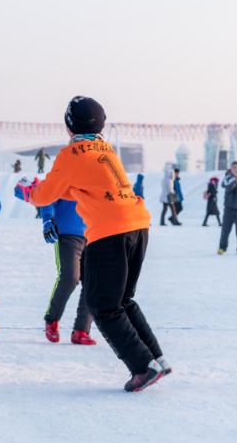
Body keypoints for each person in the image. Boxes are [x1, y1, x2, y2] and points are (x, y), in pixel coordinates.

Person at [28, 96, 169, 392]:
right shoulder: (105, 149)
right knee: (123, 300)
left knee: (103, 306)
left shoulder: (71, 154)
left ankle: (143, 367)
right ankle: (157, 358)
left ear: (69, 125)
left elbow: (45, 195)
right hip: (137, 224)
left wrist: (30, 192)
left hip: (110, 231)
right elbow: (83, 188)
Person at [38, 197, 96, 346]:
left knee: (94, 282)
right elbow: (48, 196)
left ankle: (81, 330)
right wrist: (47, 219)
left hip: (94, 234)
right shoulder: (64, 179)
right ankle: (52, 320)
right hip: (67, 232)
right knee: (70, 277)